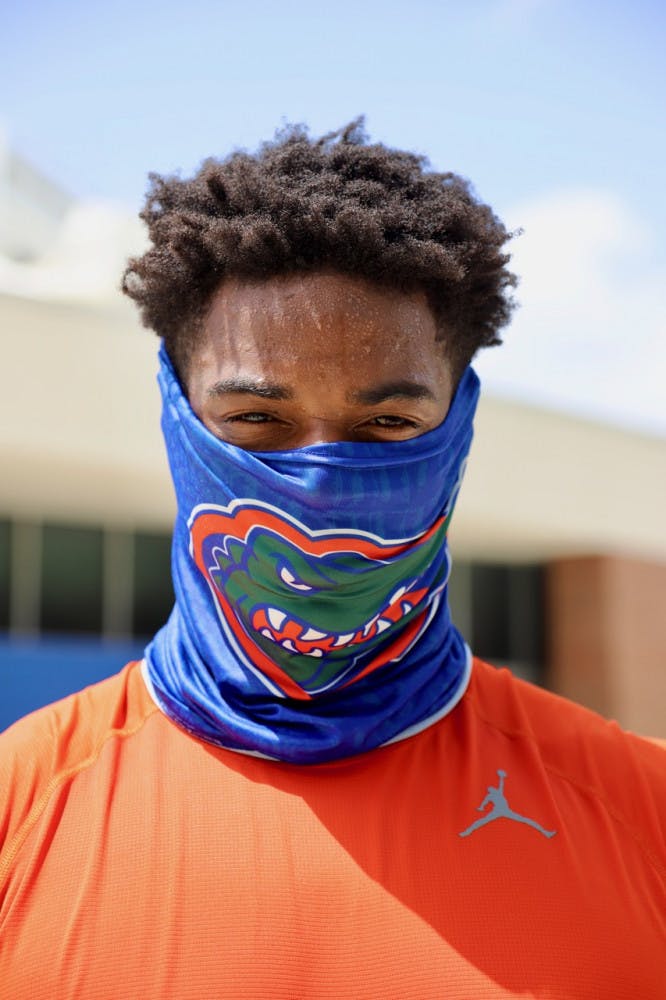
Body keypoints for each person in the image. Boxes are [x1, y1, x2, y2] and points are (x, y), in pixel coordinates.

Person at [0, 121, 664, 999]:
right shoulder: (20, 805)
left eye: (386, 425)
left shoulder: (639, 810)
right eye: (255, 423)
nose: (318, 485)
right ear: (177, 415)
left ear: (457, 427)